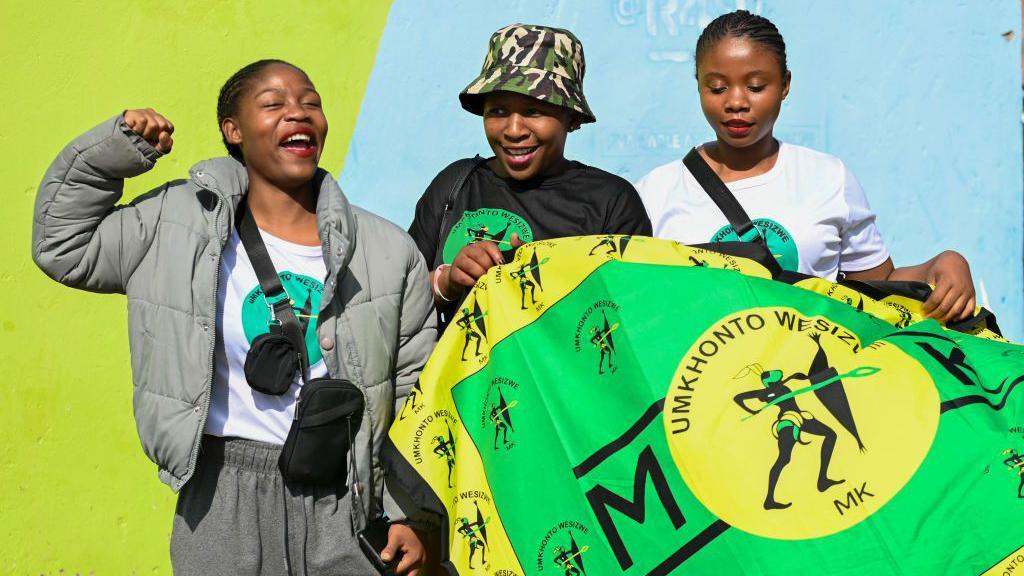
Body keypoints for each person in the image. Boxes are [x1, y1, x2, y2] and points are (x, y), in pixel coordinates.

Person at [32, 60, 434, 575]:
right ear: (233, 130)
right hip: (221, 498)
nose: (298, 113)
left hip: (347, 503)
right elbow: (60, 245)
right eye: (274, 104)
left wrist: (410, 514)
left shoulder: (385, 251)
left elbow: (414, 390)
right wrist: (116, 151)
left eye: (310, 102)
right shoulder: (175, 222)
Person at [635, 10, 976, 323]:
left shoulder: (828, 179)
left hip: (817, 382)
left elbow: (877, 289)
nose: (736, 102)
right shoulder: (655, 192)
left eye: (756, 86)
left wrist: (944, 264)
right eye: (717, 87)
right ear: (698, 85)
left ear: (785, 85)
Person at [408, 23, 652, 323]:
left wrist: (546, 285)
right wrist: (448, 282)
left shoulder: (611, 201)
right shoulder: (456, 184)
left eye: (534, 111)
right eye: (498, 111)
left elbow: (633, 317)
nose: (513, 130)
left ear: (572, 118)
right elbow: (395, 299)